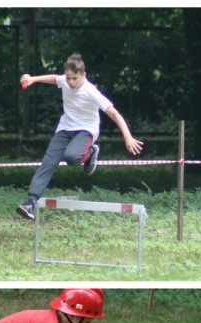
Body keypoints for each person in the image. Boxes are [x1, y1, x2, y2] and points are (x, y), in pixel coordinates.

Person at [15, 53, 144, 220]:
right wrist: (33, 79)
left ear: (84, 75)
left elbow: (114, 114)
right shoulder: (65, 81)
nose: (71, 82)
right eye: (68, 78)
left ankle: (91, 151)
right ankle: (30, 202)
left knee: (71, 157)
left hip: (86, 130)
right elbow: (55, 79)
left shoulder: (91, 91)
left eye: (75, 78)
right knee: (48, 162)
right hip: (65, 128)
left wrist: (128, 137)